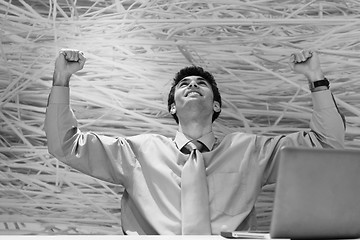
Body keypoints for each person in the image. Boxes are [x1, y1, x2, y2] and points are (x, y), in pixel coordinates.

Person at [44, 49, 345, 235]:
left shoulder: (250, 151)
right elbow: (65, 145)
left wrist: (316, 80)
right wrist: (61, 80)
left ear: (216, 106)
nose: (192, 85)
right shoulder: (137, 152)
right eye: (184, 84)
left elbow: (326, 142)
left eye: (202, 84)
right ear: (173, 107)